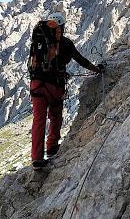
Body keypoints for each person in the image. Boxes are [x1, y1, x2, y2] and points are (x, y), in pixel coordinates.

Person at [28, 11, 103, 169]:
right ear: (61, 27)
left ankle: (36, 159)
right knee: (55, 116)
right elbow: (81, 60)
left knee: (38, 121)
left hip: (36, 85)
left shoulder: (38, 41)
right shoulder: (66, 43)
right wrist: (97, 70)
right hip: (54, 86)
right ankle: (52, 147)